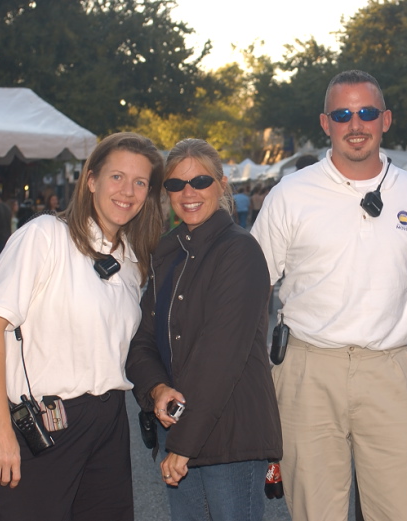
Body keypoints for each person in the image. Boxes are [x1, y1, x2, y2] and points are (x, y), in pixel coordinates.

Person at [251, 70, 407, 520]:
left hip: (391, 370)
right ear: (325, 123)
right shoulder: (290, 195)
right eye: (342, 114)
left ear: (385, 119)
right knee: (316, 511)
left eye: (366, 112)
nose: (355, 124)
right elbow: (253, 289)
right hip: (308, 372)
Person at [0, 132, 165, 521]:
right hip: (45, 424)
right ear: (91, 180)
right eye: (117, 177)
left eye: (140, 182)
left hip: (109, 425)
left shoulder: (131, 260)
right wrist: (0, 431)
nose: (127, 191)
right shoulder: (45, 236)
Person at [126, 138, 282, 520]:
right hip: (179, 426)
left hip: (227, 435)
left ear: (222, 184)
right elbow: (141, 341)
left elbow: (221, 357)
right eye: (176, 185)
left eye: (200, 181)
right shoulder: (168, 249)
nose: (188, 193)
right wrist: (157, 389)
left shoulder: (239, 251)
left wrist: (183, 443)